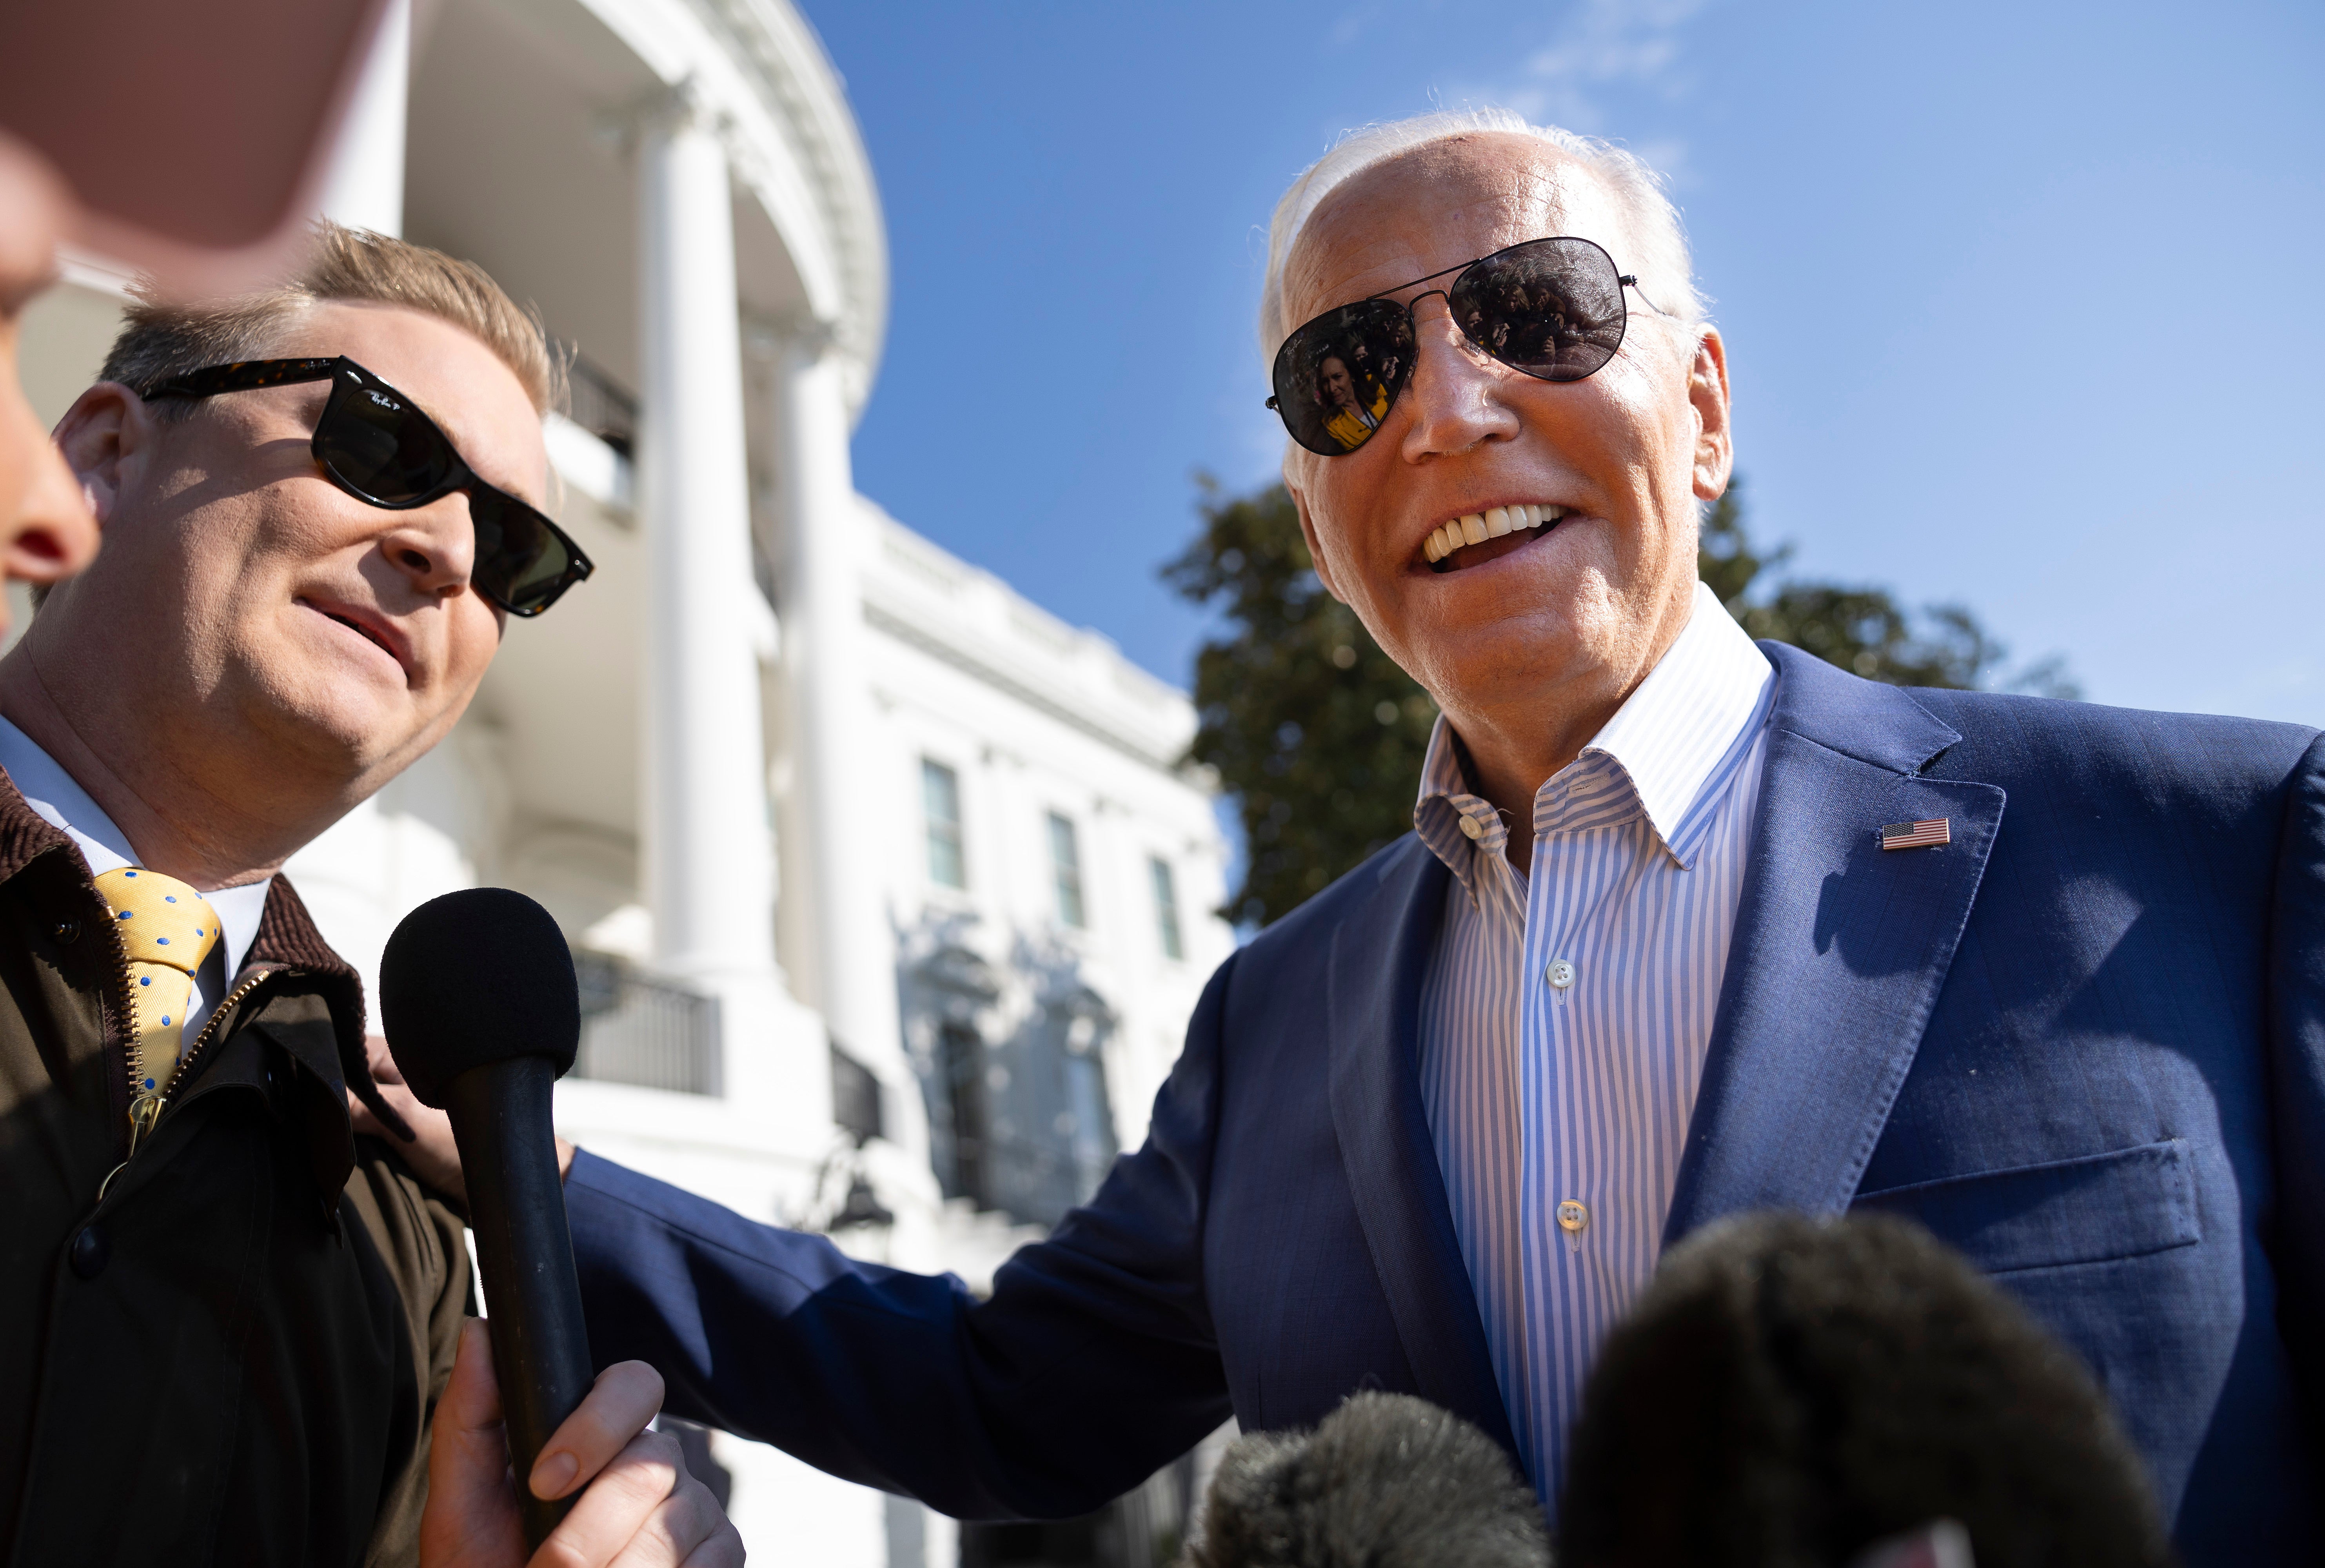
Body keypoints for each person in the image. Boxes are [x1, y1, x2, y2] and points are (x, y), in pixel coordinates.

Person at [366, 108, 2323, 1564]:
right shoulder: (1269, 1024)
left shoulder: (2216, 851)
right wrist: (533, 1167)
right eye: (1347, 376)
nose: (1442, 412)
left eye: (1537, 312)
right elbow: (996, 1402)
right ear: (1316, 516)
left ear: (1703, 407)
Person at [0, 214, 737, 1566]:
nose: (451, 555)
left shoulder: (410, 1246)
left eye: (515, 554)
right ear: (108, 451)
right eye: (381, 445)